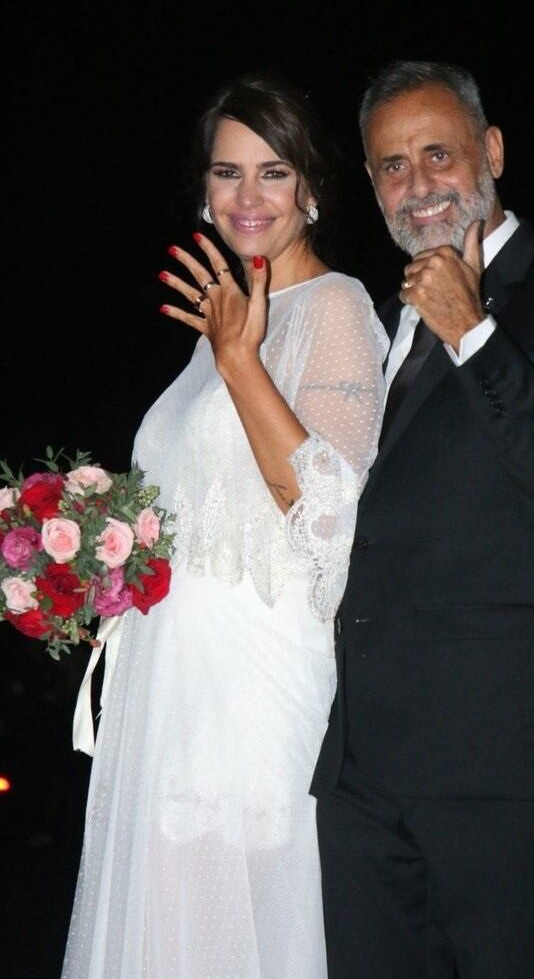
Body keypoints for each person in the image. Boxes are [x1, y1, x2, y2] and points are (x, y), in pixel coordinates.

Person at [312, 60, 534, 978]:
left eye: (438, 154)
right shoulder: (378, 320)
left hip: (509, 772)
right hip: (363, 774)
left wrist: (474, 335)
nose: (418, 186)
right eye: (391, 166)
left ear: (490, 153)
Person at [62, 72, 388, 978]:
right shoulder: (219, 329)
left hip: (250, 695)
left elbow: (331, 523)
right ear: (203, 190)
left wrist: (241, 362)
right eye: (226, 172)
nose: (247, 197)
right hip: (165, 692)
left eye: (272, 173)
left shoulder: (336, 311)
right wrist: (95, 554)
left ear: (312, 188)